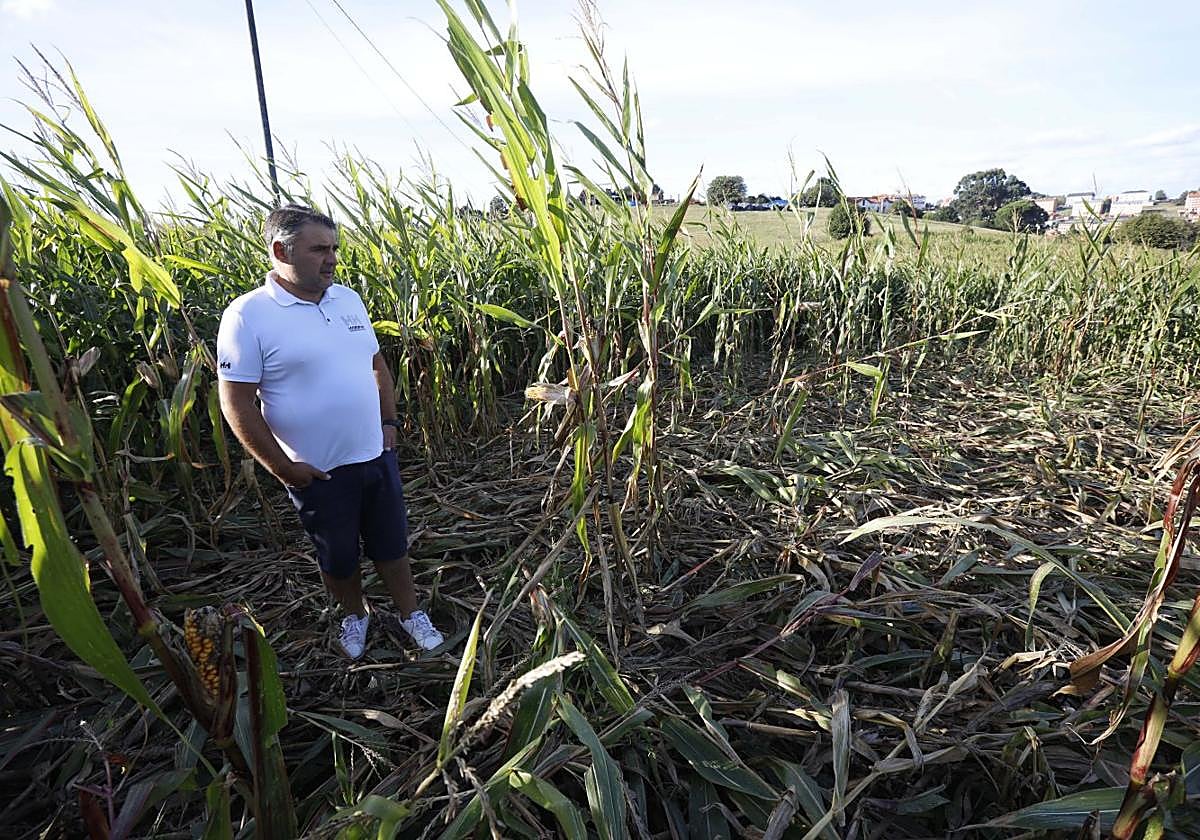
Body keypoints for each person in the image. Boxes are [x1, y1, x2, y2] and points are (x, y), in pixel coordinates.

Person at [215, 204, 445, 659]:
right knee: (337, 557)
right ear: (281, 250)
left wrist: (388, 422)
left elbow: (377, 365)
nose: (332, 259)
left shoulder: (348, 300)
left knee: (392, 544)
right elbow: (236, 401)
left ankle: (409, 613)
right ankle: (355, 616)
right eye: (319, 249)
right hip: (316, 471)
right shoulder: (248, 316)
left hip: (375, 456)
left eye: (334, 248)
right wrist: (282, 468)